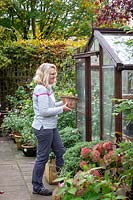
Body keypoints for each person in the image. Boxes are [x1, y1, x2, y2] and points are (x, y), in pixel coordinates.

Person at [32, 63, 72, 196]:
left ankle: (63, 181)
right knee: (42, 158)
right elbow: (44, 111)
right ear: (44, 75)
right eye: (52, 74)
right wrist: (62, 109)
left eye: (55, 74)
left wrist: (64, 103)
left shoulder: (47, 88)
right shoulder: (41, 90)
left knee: (61, 152)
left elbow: (52, 105)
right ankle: (37, 187)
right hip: (44, 128)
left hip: (51, 127)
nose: (54, 76)